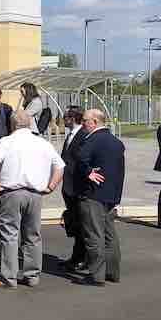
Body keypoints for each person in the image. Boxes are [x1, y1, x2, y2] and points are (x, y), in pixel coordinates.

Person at [0, 110, 64, 288]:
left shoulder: (5, 142)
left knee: (9, 236)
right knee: (33, 236)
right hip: (35, 194)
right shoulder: (42, 143)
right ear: (29, 124)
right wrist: (51, 186)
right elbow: (59, 166)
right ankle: (32, 275)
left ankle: (9, 277)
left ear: (12, 124)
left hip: (11, 193)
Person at [75, 108, 125, 286]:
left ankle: (97, 275)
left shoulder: (92, 140)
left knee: (94, 234)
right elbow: (120, 171)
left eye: (85, 120)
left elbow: (80, 158)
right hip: (110, 194)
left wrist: (88, 172)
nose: (83, 123)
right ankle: (113, 272)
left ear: (95, 122)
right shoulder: (116, 142)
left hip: (93, 194)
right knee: (110, 234)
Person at [59, 106, 89, 270]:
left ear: (73, 118)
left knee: (81, 225)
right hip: (69, 187)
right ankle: (76, 257)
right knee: (76, 225)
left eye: (66, 116)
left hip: (78, 188)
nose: (63, 119)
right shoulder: (70, 135)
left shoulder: (83, 135)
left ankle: (81, 259)